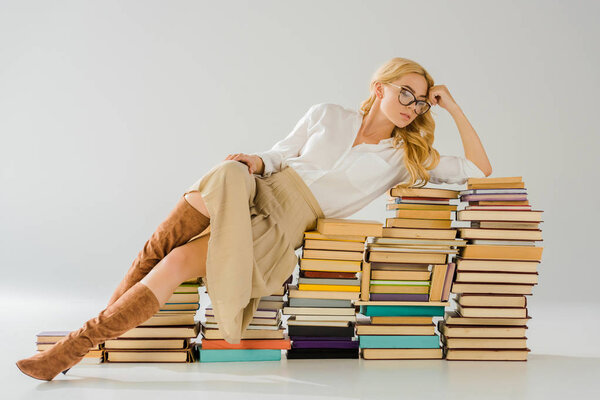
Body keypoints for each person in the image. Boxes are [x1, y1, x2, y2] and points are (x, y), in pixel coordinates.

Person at [16, 56, 492, 381]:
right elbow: (280, 154)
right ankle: (95, 334)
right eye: (405, 93)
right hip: (258, 186)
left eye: (421, 101)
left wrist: (453, 108)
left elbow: (478, 170)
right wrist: (254, 162)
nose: (411, 107)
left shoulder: (403, 158)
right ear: (379, 87)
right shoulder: (327, 114)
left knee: (176, 264)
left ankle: (72, 349)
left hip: (280, 224)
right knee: (169, 231)